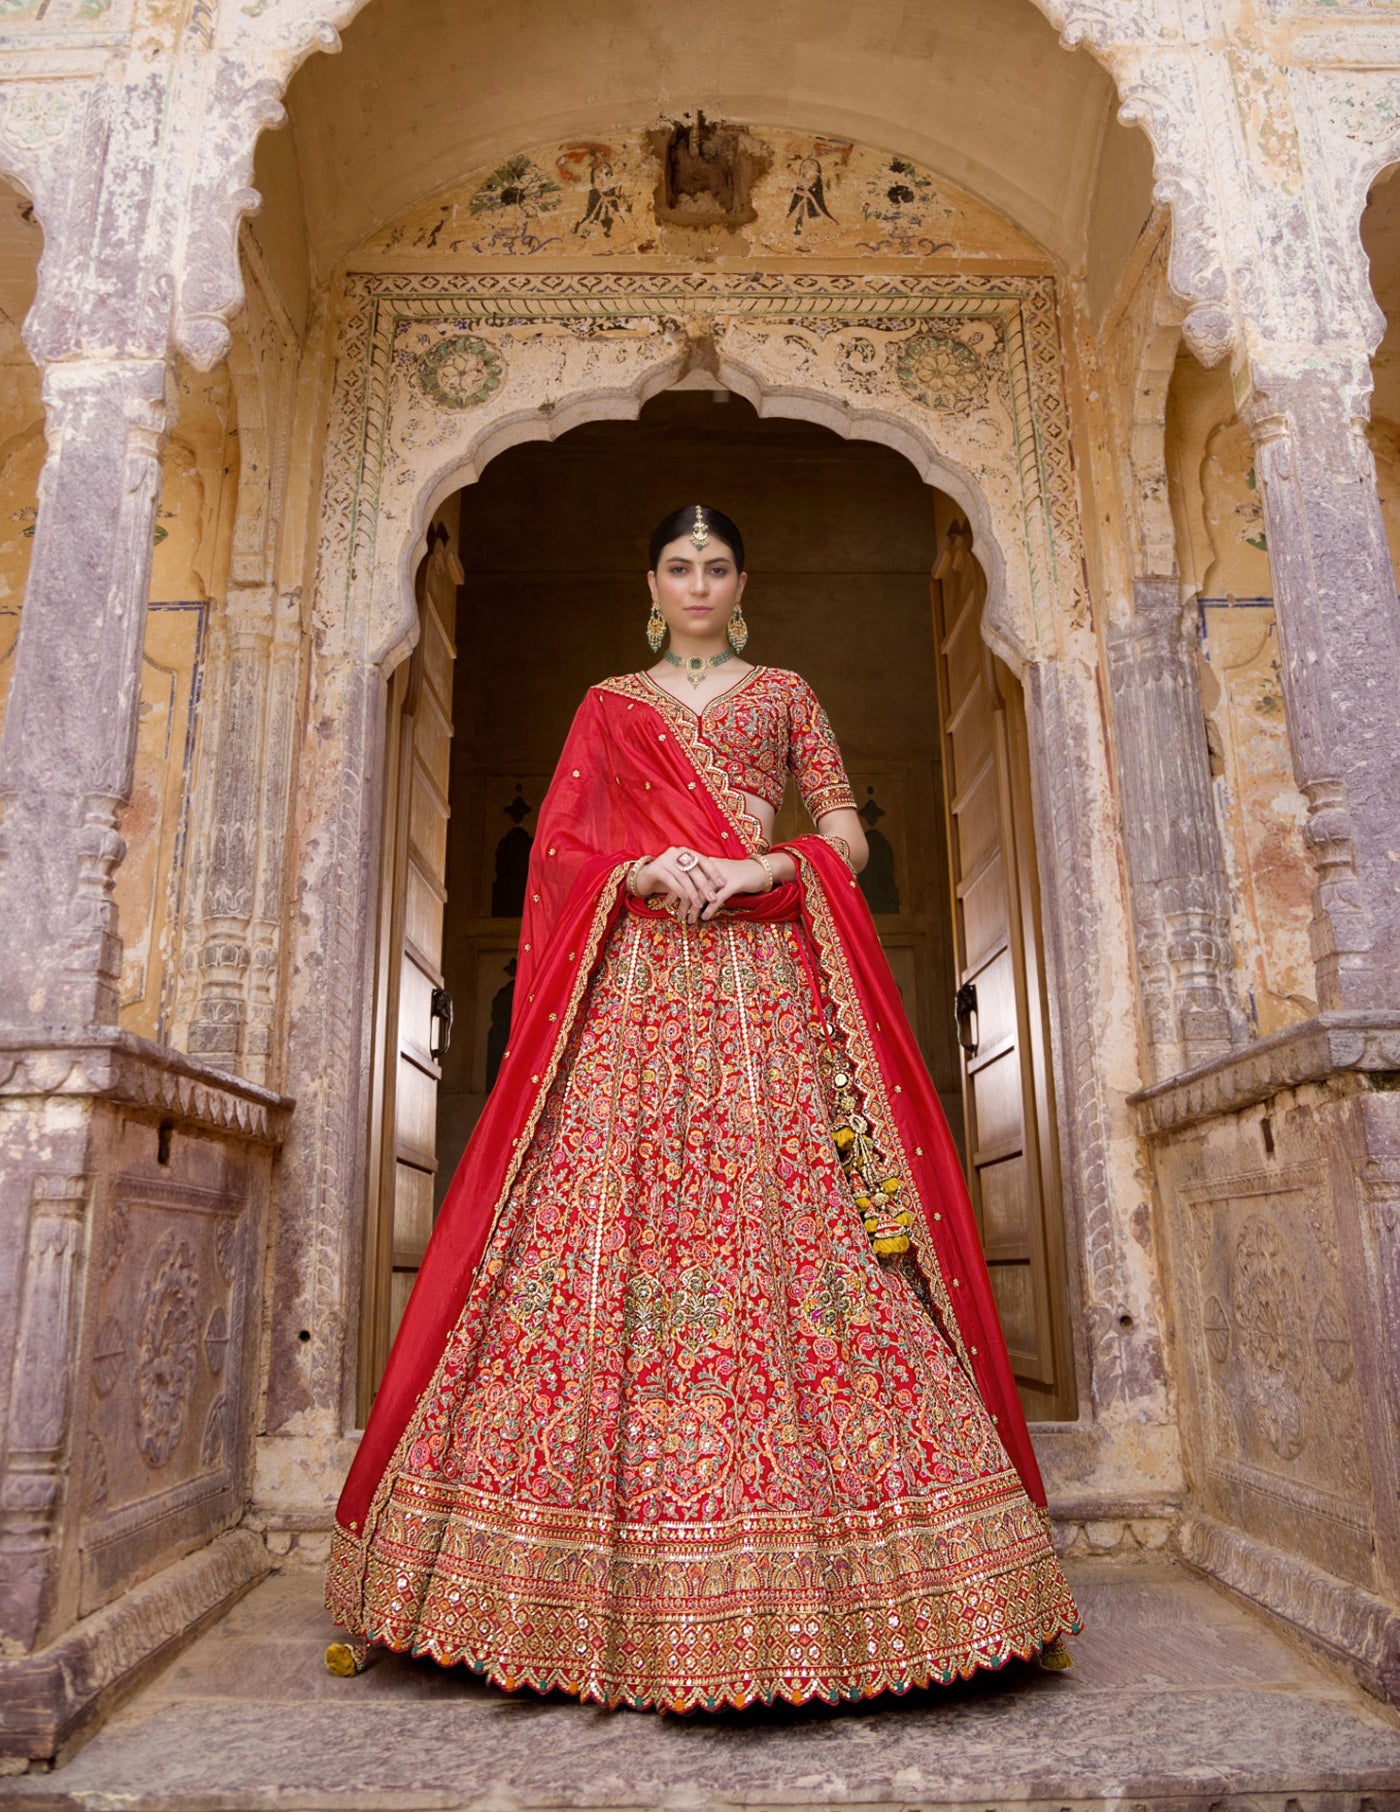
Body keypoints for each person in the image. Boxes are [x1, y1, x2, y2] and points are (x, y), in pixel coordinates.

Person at [324, 504, 1079, 1710]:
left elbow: (846, 832)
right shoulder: (608, 704)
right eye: (677, 567)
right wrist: (632, 870)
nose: (696, 583)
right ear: (652, 581)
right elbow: (561, 851)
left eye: (715, 567)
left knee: (793, 1225)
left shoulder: (782, 693)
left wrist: (760, 865)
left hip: (764, 981)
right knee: (599, 1230)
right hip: (631, 985)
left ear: (741, 582)